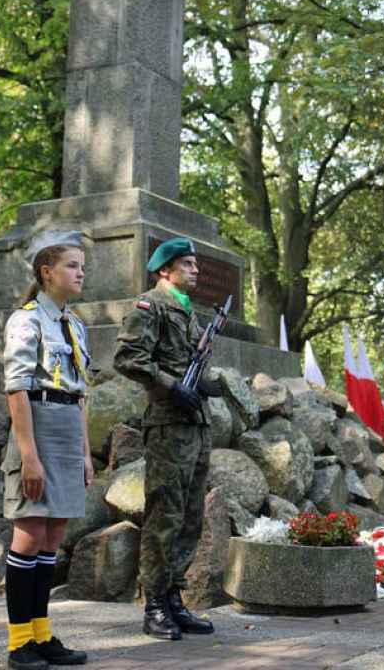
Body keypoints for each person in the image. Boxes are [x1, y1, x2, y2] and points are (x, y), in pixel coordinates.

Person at [113, 237, 219, 640]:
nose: (196, 270)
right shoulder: (150, 305)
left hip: (195, 424)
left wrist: (205, 386)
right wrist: (173, 387)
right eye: (188, 264)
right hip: (169, 424)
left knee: (191, 516)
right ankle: (154, 604)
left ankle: (174, 598)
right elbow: (128, 359)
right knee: (165, 515)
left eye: (195, 264)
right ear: (165, 270)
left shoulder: (189, 312)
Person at [1, 231, 92, 669]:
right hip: (36, 426)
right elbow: (16, 388)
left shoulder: (74, 324)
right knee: (30, 532)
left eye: (82, 266)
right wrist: (28, 455)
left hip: (67, 429)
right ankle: (19, 642)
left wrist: (87, 454)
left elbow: (81, 394)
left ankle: (42, 633)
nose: (81, 272)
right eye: (73, 265)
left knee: (53, 535)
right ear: (47, 271)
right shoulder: (27, 320)